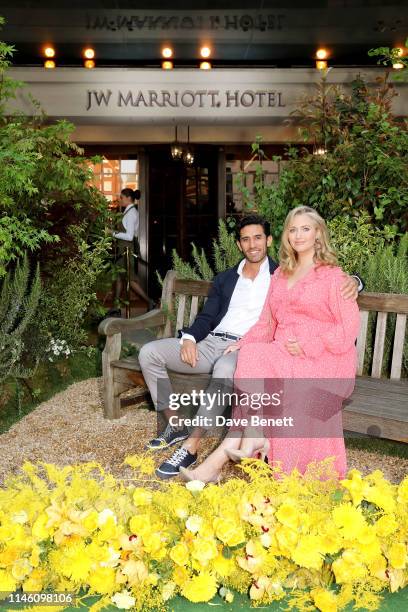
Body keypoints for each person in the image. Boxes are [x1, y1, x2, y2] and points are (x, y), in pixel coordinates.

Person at [138, 213, 361, 479]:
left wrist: (356, 282)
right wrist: (189, 338)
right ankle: (175, 425)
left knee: (237, 364)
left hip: (290, 352)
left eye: (305, 229)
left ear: (268, 240)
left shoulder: (279, 272)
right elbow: (211, 317)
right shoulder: (232, 278)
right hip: (218, 343)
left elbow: (341, 314)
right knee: (149, 352)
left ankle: (195, 444)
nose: (252, 244)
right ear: (239, 244)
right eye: (293, 229)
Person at [111, 188, 153, 312]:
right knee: (119, 277)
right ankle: (116, 306)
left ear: (128, 198)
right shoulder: (129, 212)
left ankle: (150, 301)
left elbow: (129, 236)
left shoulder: (131, 214)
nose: (120, 200)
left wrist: (112, 233)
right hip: (123, 249)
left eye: (121, 197)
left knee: (130, 278)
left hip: (126, 249)